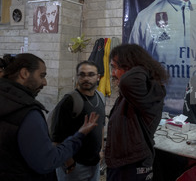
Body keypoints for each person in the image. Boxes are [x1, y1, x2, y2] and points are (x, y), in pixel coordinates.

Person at [0, 53, 99, 181]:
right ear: (24, 73)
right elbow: (47, 161)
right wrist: (79, 136)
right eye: (42, 76)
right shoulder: (28, 113)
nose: (45, 83)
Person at [105, 44, 169, 181]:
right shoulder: (131, 97)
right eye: (112, 68)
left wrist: (140, 65)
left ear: (130, 67)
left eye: (116, 67)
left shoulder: (148, 94)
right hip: (122, 163)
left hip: (133, 165)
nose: (113, 73)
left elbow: (127, 81)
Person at [50, 61, 106, 181]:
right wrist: (69, 162)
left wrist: (100, 150)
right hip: (75, 165)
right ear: (77, 77)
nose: (86, 78)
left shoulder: (100, 97)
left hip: (94, 164)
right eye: (82, 75)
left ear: (98, 77)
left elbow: (100, 126)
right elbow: (56, 138)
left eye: (91, 74)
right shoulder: (69, 101)